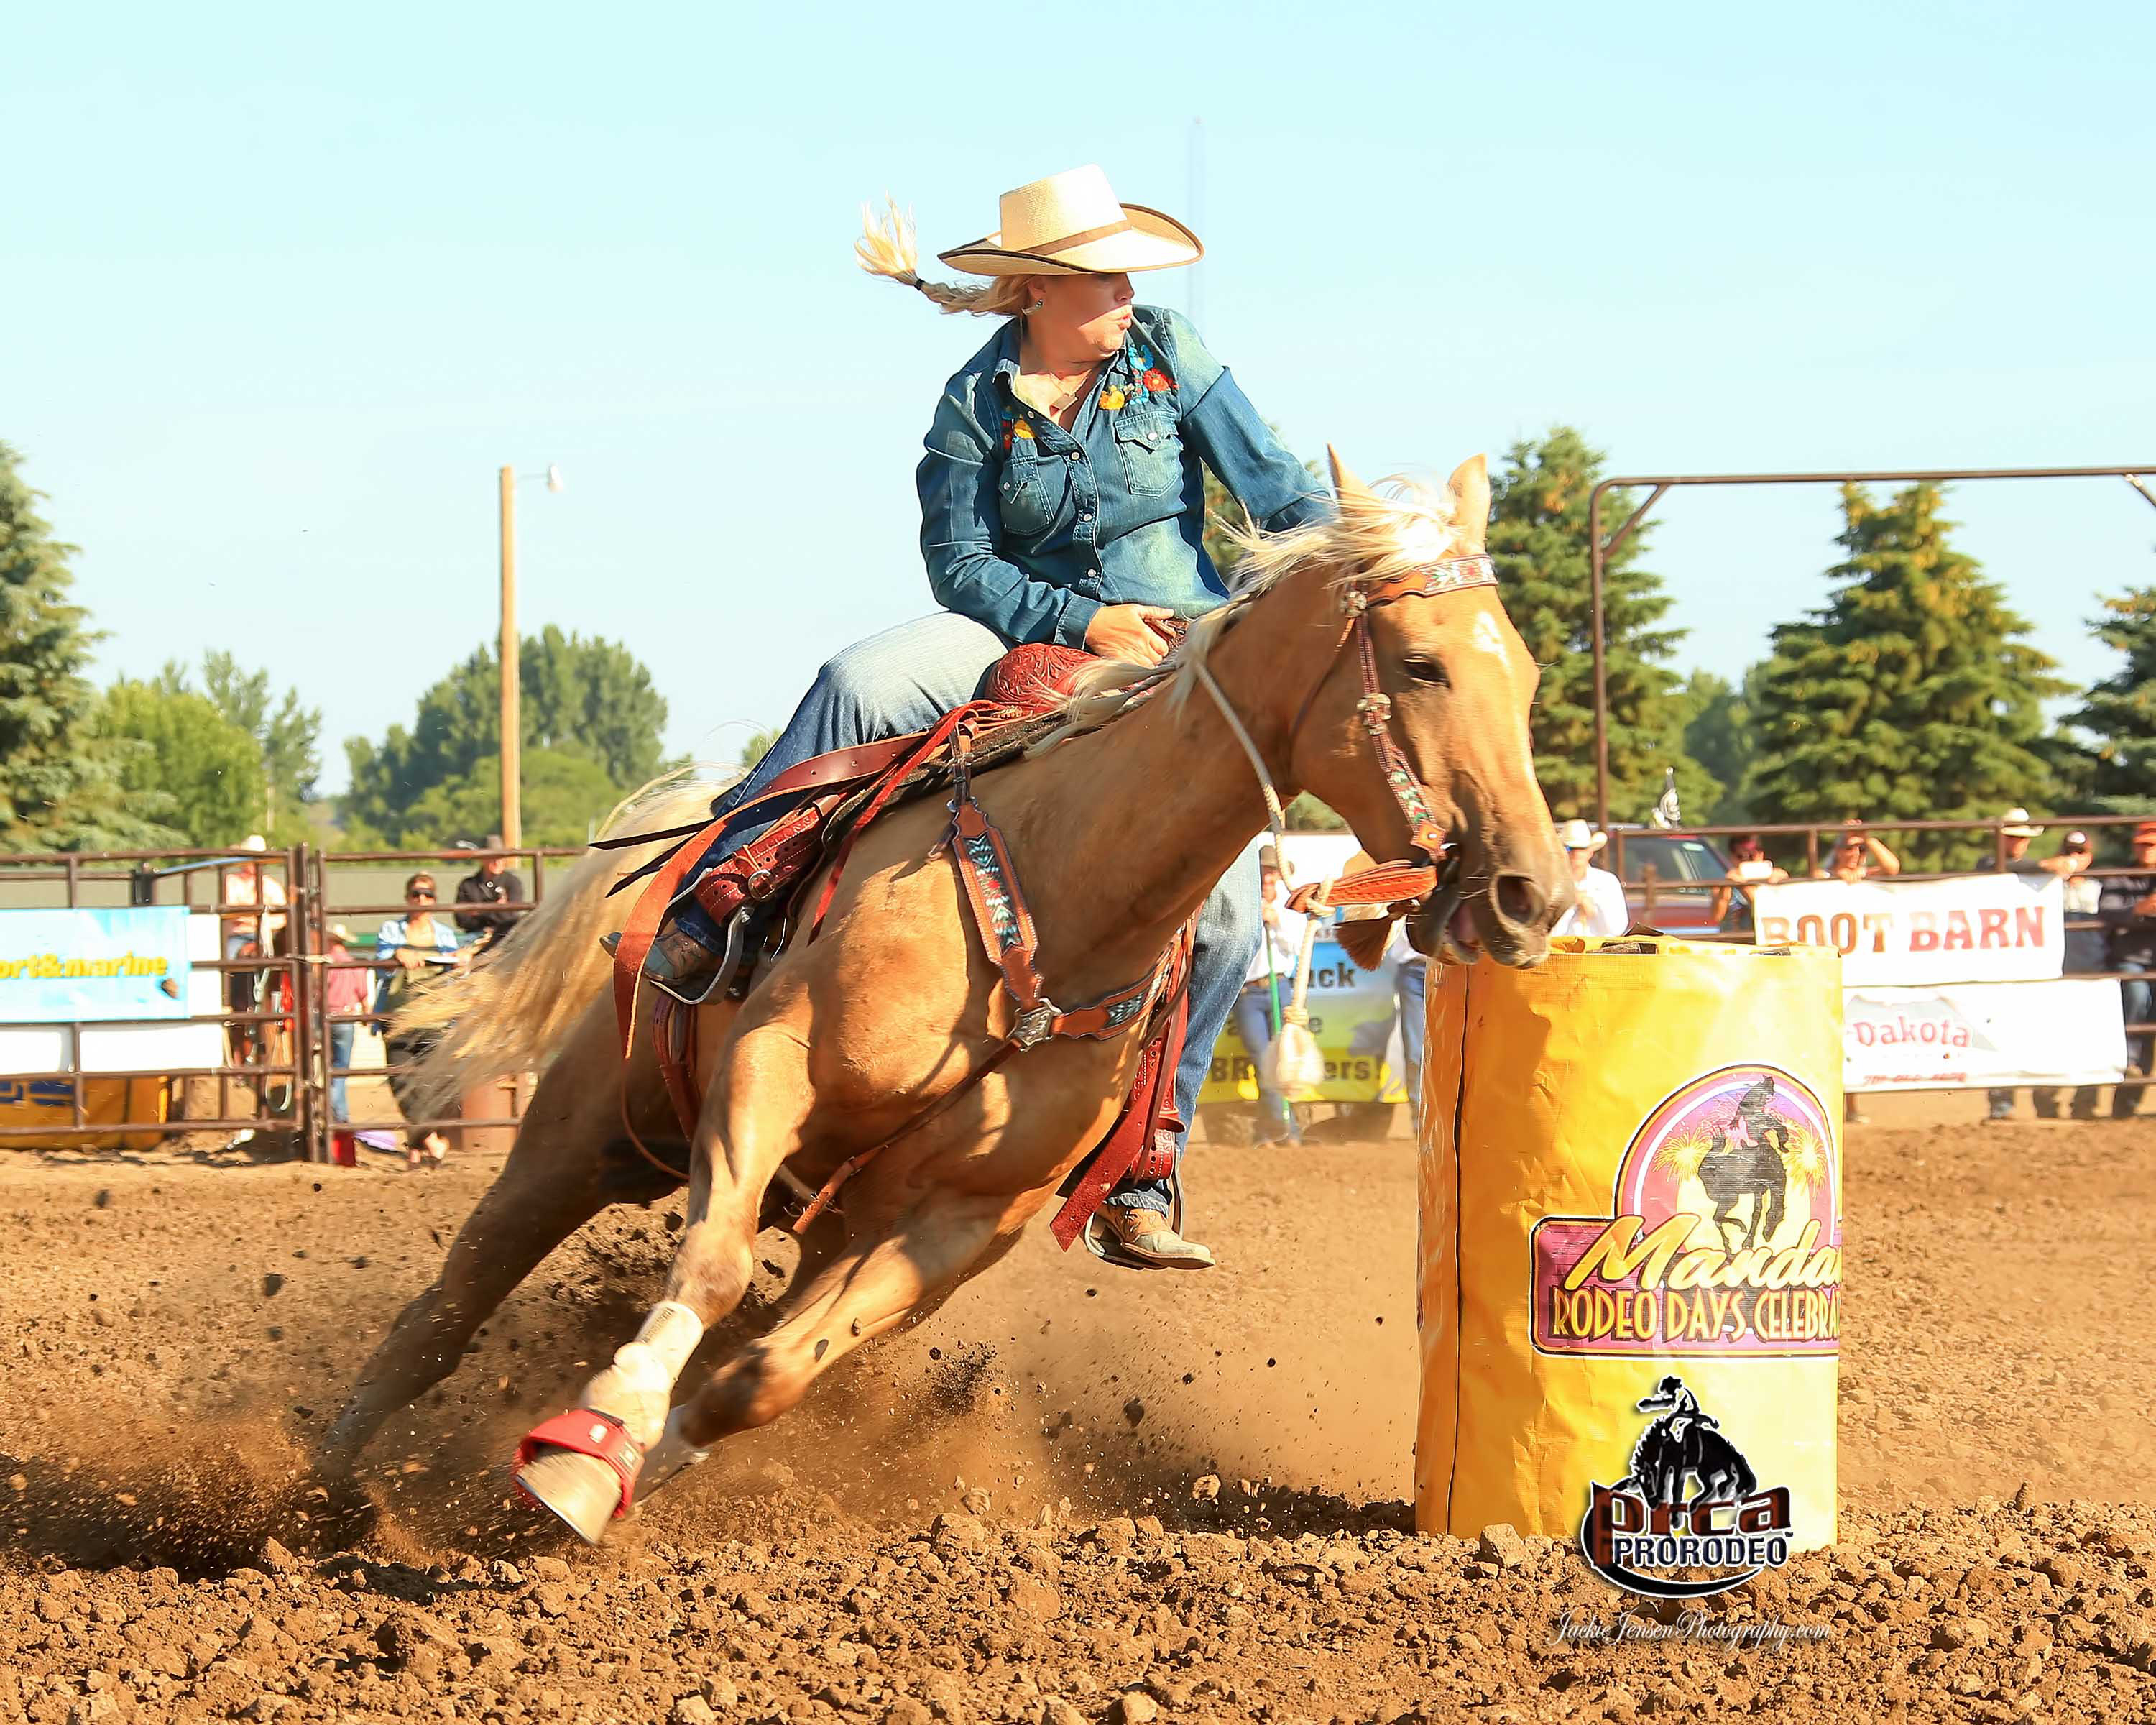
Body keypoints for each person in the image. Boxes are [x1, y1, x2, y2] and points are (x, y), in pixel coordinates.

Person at [624, 167, 1332, 1271]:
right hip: (1016, 634)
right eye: (1105, 278)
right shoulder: (972, 402)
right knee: (859, 678)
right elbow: (960, 564)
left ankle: (1142, 1169)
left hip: (1180, 659)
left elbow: (1284, 495)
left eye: (1127, 276)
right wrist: (1083, 619)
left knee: (1232, 927)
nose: (1128, 295)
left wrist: (1330, 576)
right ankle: (724, 890)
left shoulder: (1171, 358)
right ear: (1041, 291)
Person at [1978, 809, 2073, 1121]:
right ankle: (2002, 1103)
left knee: (2039, 1030)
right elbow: (1999, 867)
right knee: (1999, 1030)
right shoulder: (1988, 865)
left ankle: (2041, 1101)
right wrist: (2049, 866)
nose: (2017, 843)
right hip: (1999, 962)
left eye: (2021, 838)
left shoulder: (2035, 872)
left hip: (2030, 960)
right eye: (2012, 837)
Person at [374, 873, 467, 1169]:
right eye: (416, 894)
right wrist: (396, 955)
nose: (421, 900)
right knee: (401, 1083)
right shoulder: (391, 930)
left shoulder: (444, 936)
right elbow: (381, 967)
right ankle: (432, 1143)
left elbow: (456, 976)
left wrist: (460, 962)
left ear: (434, 900)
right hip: (399, 1018)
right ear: (408, 898)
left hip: (434, 1017)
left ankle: (416, 1147)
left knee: (431, 1086)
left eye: (427, 895)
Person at [1229, 849, 1307, 1146]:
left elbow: (1296, 946)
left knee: (1285, 1061)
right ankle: (1277, 1128)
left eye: (1272, 871)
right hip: (1249, 993)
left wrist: (1274, 920)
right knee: (1264, 1061)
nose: (1267, 877)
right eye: (1263, 870)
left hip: (1280, 988)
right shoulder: (1242, 909)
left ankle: (1280, 1128)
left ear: (1279, 875)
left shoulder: (1289, 912)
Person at [2036, 832, 2106, 1122]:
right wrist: (2048, 867)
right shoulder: (2045, 886)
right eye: (2069, 852)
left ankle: (2085, 1101)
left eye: (2080, 853)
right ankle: (2045, 1100)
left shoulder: (2102, 888)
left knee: (2092, 1038)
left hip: (2093, 969)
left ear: (2090, 857)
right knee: (2050, 1037)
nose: (2074, 859)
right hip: (2055, 972)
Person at [2096, 822, 2156, 1121]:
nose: (2148, 850)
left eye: (2153, 845)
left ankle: (2128, 1102)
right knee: (2136, 993)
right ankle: (2130, 1069)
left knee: (2145, 1017)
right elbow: (2106, 912)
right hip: (2131, 959)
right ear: (2135, 847)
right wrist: (2139, 910)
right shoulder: (2119, 878)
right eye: (2144, 845)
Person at [323, 923, 373, 1126]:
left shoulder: (324, 964)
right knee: (341, 1069)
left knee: (325, 1067)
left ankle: (333, 1114)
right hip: (346, 1017)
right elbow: (364, 994)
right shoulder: (353, 964)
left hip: (326, 1017)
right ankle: (340, 1116)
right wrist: (366, 1016)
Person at [1551, 820, 1628, 937]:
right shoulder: (1551, 884)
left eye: (1582, 848)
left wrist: (1594, 907)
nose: (1576, 853)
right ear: (1562, 852)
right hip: (1560, 953)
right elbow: (1547, 934)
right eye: (1570, 848)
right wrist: (1570, 903)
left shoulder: (1607, 882)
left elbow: (1617, 929)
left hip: (1599, 953)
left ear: (1590, 852)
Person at [454, 839, 528, 952]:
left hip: (504, 936)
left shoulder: (513, 882)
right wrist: (498, 909)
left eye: (501, 857)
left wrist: (479, 911)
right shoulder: (467, 884)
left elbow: (512, 916)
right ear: (482, 858)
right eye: (492, 857)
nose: (497, 862)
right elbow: (461, 920)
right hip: (474, 937)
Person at [1709, 834, 1789, 933]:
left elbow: (1766, 910)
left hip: (1767, 939)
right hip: (1733, 942)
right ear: (1732, 858)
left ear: (1761, 855)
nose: (1747, 860)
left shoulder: (1776, 876)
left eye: (1751, 856)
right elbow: (1717, 917)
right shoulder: (1724, 884)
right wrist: (1726, 888)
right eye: (1741, 857)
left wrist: (1744, 886)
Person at [1817, 822, 1900, 883]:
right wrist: (1838, 876)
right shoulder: (1825, 875)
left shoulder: (1865, 873)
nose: (1856, 854)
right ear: (1838, 851)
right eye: (1849, 848)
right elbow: (1816, 875)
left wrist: (1867, 839)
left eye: (1861, 849)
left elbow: (1892, 868)